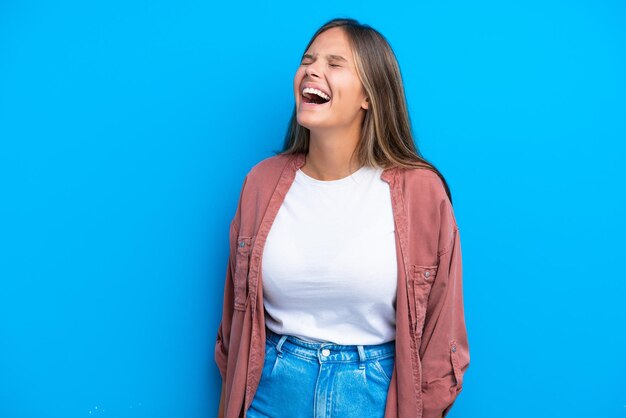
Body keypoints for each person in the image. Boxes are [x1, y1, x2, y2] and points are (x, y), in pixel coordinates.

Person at [215, 17, 469, 418]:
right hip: (272, 392)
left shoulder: (421, 192)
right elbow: (234, 324)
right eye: (308, 59)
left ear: (369, 94)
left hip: (374, 395)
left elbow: (442, 336)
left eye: (335, 63)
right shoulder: (261, 183)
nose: (312, 70)